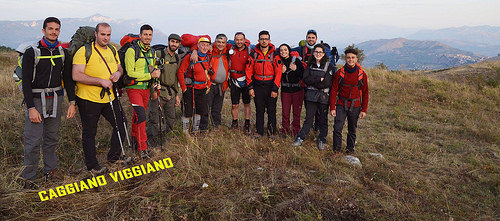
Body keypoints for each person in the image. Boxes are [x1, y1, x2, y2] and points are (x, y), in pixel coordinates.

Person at [21, 17, 76, 189]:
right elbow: (26, 83)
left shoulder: (63, 52)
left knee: (52, 138)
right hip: (36, 100)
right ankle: (28, 179)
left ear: (59, 31)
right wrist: (30, 108)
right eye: (50, 29)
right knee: (33, 140)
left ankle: (49, 172)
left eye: (57, 29)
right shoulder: (32, 52)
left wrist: (72, 102)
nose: (54, 32)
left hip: (56, 99)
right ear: (43, 30)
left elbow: (67, 79)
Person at [72, 22, 125, 175]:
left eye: (108, 34)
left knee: (121, 123)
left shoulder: (113, 50)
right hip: (88, 98)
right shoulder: (84, 51)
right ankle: (92, 166)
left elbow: (119, 67)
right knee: (90, 132)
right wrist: (100, 81)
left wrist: (118, 74)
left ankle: (114, 157)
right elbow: (76, 75)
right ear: (95, 34)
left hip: (109, 97)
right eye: (102, 34)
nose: (106, 38)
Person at [123, 24, 160, 158]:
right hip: (134, 88)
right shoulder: (131, 51)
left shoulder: (152, 52)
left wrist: (156, 82)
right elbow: (130, 72)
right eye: (145, 34)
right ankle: (143, 149)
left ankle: (134, 141)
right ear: (140, 36)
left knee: (138, 116)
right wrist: (150, 76)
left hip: (146, 89)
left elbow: (153, 70)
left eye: (150, 35)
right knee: (142, 117)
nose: (147, 37)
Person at [293, 29, 339, 133]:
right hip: (305, 84)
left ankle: (317, 128)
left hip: (318, 87)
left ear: (316, 39)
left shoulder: (321, 50)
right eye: (309, 37)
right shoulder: (301, 49)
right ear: (306, 38)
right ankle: (310, 127)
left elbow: (331, 62)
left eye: (313, 38)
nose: (311, 39)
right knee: (309, 108)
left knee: (320, 111)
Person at [293, 44, 335, 150]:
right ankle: (300, 137)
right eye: (316, 52)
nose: (318, 54)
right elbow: (305, 79)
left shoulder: (328, 65)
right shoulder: (310, 64)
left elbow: (327, 82)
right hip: (311, 96)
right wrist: (318, 79)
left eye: (320, 52)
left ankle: (322, 139)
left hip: (323, 96)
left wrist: (313, 81)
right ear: (313, 53)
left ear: (324, 53)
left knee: (322, 119)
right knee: (309, 118)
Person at [147, 33, 184, 146]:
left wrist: (177, 94)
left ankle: (168, 142)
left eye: (177, 42)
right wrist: (153, 91)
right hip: (158, 90)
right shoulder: (159, 54)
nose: (174, 44)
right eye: (172, 41)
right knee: (154, 118)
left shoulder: (177, 58)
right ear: (168, 42)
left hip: (171, 92)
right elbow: (150, 69)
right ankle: (152, 143)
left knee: (171, 118)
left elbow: (176, 76)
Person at [330, 48, 369, 154]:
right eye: (348, 57)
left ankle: (350, 150)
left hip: (355, 105)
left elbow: (365, 93)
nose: (350, 60)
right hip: (341, 104)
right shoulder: (339, 73)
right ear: (345, 59)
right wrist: (332, 107)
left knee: (352, 129)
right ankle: (336, 150)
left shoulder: (362, 74)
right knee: (337, 128)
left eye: (353, 57)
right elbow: (333, 90)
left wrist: (364, 109)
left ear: (357, 59)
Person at [246, 30, 282, 137]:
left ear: (269, 40)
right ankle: (259, 131)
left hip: (270, 85)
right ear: (258, 40)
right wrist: (250, 87)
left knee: (271, 110)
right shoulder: (254, 54)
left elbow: (278, 72)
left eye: (266, 39)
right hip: (258, 86)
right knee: (259, 110)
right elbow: (248, 70)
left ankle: (272, 132)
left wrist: (275, 88)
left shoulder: (274, 55)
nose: (264, 41)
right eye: (262, 39)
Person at [177, 37, 212, 134]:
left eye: (207, 45)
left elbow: (208, 73)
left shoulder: (207, 57)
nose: (205, 47)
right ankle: (185, 133)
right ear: (198, 46)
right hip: (190, 88)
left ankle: (195, 131)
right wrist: (183, 88)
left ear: (209, 47)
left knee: (199, 110)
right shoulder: (190, 57)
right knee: (188, 111)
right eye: (202, 45)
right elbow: (180, 72)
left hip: (202, 88)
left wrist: (208, 84)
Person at [200, 33, 231, 129]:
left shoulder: (227, 52)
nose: (220, 44)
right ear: (215, 42)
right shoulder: (210, 51)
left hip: (222, 86)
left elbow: (245, 43)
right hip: (210, 85)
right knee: (205, 108)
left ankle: (216, 127)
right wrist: (193, 51)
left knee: (217, 109)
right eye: (218, 42)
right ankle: (203, 128)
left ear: (226, 43)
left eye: (223, 42)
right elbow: (196, 44)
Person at [277, 43, 304, 137]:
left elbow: (302, 74)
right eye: (281, 50)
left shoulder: (296, 61)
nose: (283, 52)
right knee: (285, 112)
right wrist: (282, 73)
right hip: (285, 91)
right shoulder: (279, 62)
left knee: (297, 112)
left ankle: (296, 131)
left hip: (297, 90)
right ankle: (285, 131)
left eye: (285, 50)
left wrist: (296, 69)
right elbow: (277, 78)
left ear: (289, 51)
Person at [229, 32, 252, 133]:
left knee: (246, 103)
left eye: (241, 39)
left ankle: (247, 123)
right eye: (237, 40)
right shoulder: (230, 49)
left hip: (246, 80)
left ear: (244, 40)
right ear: (234, 40)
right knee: (235, 104)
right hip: (234, 80)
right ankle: (235, 123)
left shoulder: (250, 50)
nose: (239, 42)